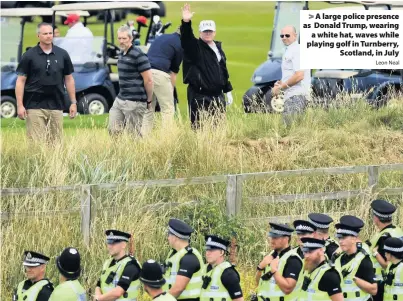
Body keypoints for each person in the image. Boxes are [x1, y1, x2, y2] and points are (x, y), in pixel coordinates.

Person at [15, 22, 77, 143]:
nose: (49, 36)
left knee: (56, 144)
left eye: (50, 33)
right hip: (34, 105)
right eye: (45, 34)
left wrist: (73, 102)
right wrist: (20, 105)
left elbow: (69, 79)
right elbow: (20, 81)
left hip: (57, 105)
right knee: (36, 145)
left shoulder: (62, 54)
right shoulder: (29, 55)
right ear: (38, 35)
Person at [180, 3, 234, 129]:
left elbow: (222, 70)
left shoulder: (218, 48)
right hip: (199, 95)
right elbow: (186, 39)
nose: (207, 33)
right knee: (199, 129)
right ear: (200, 32)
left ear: (214, 32)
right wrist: (186, 22)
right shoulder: (195, 47)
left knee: (219, 129)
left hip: (217, 95)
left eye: (210, 31)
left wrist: (227, 90)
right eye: (205, 31)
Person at [108, 25, 153, 137]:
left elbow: (149, 80)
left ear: (131, 39)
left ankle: (138, 154)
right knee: (113, 130)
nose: (121, 41)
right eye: (119, 38)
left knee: (133, 135)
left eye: (124, 38)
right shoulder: (121, 54)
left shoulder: (139, 55)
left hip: (135, 101)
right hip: (120, 99)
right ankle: (119, 153)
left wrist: (149, 100)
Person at [141, 27, 183, 136]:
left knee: (148, 108)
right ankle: (166, 139)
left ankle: (144, 139)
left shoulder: (162, 37)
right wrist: (171, 91)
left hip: (144, 73)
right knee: (168, 109)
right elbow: (173, 73)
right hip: (159, 74)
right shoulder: (180, 45)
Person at [271, 25, 311, 126]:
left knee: (288, 129)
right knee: (291, 129)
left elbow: (299, 75)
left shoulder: (297, 50)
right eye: (282, 35)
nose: (284, 37)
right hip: (291, 96)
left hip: (296, 96)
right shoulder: (290, 50)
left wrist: (281, 87)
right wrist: (281, 83)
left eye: (287, 35)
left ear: (295, 36)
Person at [334, 215, 378, 301]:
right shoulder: (338, 258)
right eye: (339, 238)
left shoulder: (363, 260)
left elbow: (374, 290)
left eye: (344, 238)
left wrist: (353, 279)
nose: (340, 241)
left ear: (354, 239)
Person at [255, 223, 303, 301]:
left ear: (286, 239)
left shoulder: (293, 259)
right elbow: (258, 282)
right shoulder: (270, 255)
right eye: (271, 237)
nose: (271, 241)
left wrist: (274, 270)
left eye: (275, 238)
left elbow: (288, 289)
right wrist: (260, 267)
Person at [368, 199, 403, 301]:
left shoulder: (385, 237)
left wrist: (375, 253)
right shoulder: (396, 229)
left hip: (382, 280)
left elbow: (387, 264)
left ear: (376, 218)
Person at [162, 218, 204, 301]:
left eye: (169, 235)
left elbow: (178, 288)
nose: (168, 238)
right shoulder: (174, 254)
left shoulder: (189, 257)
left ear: (175, 237)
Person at [95, 230, 142, 301]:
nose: (109, 246)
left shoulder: (131, 265)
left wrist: (98, 299)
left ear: (123, 245)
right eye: (108, 242)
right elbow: (99, 284)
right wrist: (97, 296)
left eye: (113, 243)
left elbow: (118, 292)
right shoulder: (107, 262)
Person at [201, 235, 243, 301]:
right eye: (207, 250)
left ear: (221, 252)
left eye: (211, 250)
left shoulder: (228, 273)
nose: (207, 253)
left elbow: (238, 299)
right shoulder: (203, 269)